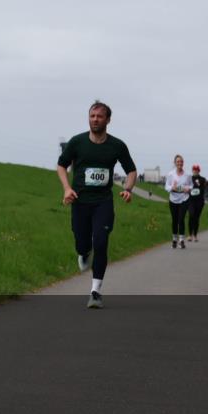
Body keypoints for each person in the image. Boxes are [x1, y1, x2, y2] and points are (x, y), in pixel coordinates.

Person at [56, 101, 137, 309]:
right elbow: (61, 165)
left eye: (100, 116)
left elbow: (131, 170)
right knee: (82, 242)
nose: (95, 119)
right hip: (80, 201)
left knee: (101, 242)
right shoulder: (77, 142)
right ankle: (83, 252)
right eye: (92, 116)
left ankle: (95, 291)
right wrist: (67, 188)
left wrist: (128, 189)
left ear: (108, 120)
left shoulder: (117, 145)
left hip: (103, 201)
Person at [164, 155, 192, 249]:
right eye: (178, 161)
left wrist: (188, 188)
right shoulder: (170, 174)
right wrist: (172, 187)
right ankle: (174, 240)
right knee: (175, 220)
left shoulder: (187, 175)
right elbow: (166, 187)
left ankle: (181, 240)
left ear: (183, 163)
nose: (180, 163)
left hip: (184, 199)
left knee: (181, 219)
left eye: (181, 161)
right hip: (173, 199)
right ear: (175, 163)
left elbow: (191, 185)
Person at [187, 163, 206, 242]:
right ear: (192, 170)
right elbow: (186, 187)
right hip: (190, 200)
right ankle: (189, 235)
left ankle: (195, 235)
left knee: (196, 218)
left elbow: (204, 188)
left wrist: (198, 184)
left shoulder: (202, 179)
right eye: (194, 169)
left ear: (199, 170)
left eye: (197, 170)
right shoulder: (189, 178)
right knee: (191, 215)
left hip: (199, 201)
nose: (195, 171)